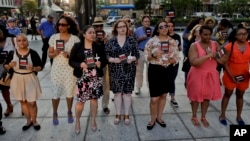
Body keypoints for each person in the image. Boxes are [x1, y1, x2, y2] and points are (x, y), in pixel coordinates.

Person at [69, 25, 107, 134]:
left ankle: (93, 119)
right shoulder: (77, 46)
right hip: (82, 78)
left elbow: (104, 60)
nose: (93, 34)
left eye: (94, 32)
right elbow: (71, 61)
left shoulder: (98, 46)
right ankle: (77, 121)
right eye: (90, 32)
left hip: (95, 77)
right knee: (81, 101)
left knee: (94, 99)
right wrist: (79, 64)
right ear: (84, 34)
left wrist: (100, 64)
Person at [187, 25, 226, 127]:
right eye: (205, 34)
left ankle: (203, 116)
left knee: (207, 97)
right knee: (195, 97)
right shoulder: (194, 46)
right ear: (199, 34)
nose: (207, 37)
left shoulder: (215, 44)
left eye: (209, 34)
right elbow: (194, 62)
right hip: (197, 74)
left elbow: (223, 59)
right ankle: (194, 116)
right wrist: (208, 55)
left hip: (211, 74)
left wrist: (215, 56)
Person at [144, 20, 179, 130]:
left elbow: (177, 57)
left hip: (167, 70)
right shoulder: (152, 41)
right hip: (155, 70)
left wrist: (171, 60)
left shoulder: (173, 41)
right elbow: (146, 57)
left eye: (166, 26)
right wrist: (153, 55)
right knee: (154, 98)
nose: (164, 28)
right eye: (161, 26)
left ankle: (159, 117)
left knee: (164, 95)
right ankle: (152, 119)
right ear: (158, 29)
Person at [4, 34, 42, 131]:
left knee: (32, 102)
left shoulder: (33, 53)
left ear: (27, 41)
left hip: (30, 78)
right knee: (23, 101)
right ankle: (28, 121)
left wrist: (33, 68)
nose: (22, 42)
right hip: (17, 78)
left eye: (24, 40)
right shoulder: (12, 53)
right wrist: (9, 65)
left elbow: (40, 67)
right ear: (16, 42)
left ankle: (35, 121)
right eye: (19, 40)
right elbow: (6, 66)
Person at [105, 19, 139, 125]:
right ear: (116, 29)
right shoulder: (111, 41)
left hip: (129, 70)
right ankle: (118, 114)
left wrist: (132, 58)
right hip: (115, 70)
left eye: (124, 26)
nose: (122, 28)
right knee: (117, 94)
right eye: (120, 27)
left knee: (128, 93)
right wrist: (112, 59)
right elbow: (106, 54)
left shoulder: (132, 40)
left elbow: (137, 54)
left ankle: (127, 115)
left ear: (127, 28)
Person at [48, 16, 80, 125]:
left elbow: (79, 56)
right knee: (55, 92)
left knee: (69, 92)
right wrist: (55, 53)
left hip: (70, 69)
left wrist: (69, 55)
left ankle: (69, 111)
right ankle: (55, 113)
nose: (60, 26)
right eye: (59, 24)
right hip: (57, 69)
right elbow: (50, 54)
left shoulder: (75, 39)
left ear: (69, 26)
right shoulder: (54, 37)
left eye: (63, 25)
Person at [219, 25, 250, 126]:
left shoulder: (249, 45)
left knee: (240, 95)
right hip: (230, 73)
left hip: (244, 75)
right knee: (227, 94)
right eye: (240, 34)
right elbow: (224, 62)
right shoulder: (229, 46)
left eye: (245, 33)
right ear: (236, 36)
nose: (243, 36)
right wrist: (232, 77)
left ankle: (239, 116)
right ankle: (222, 115)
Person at [92, 16, 110, 114]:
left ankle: (105, 105)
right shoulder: (90, 35)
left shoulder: (107, 35)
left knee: (105, 86)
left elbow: (111, 51)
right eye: (96, 26)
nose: (99, 28)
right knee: (93, 86)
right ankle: (94, 105)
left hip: (103, 64)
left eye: (100, 26)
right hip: (92, 65)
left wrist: (106, 43)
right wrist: (93, 42)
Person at [134, 16, 154, 94]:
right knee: (139, 71)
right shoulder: (137, 30)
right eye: (145, 21)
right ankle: (138, 87)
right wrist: (141, 38)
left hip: (150, 53)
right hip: (140, 51)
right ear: (142, 22)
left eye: (148, 21)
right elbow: (134, 41)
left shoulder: (154, 29)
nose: (147, 23)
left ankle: (151, 87)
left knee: (150, 72)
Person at [0, 25, 15, 117]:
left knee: (19, 88)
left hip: (12, 68)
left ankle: (24, 105)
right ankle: (9, 105)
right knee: (3, 88)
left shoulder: (12, 40)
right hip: (1, 69)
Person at [167, 21, 182, 107]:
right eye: (168, 26)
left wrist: (178, 46)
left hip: (175, 61)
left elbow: (180, 48)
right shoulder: (163, 37)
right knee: (165, 79)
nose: (170, 28)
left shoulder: (177, 36)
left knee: (172, 79)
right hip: (165, 61)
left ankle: (172, 97)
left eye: (172, 26)